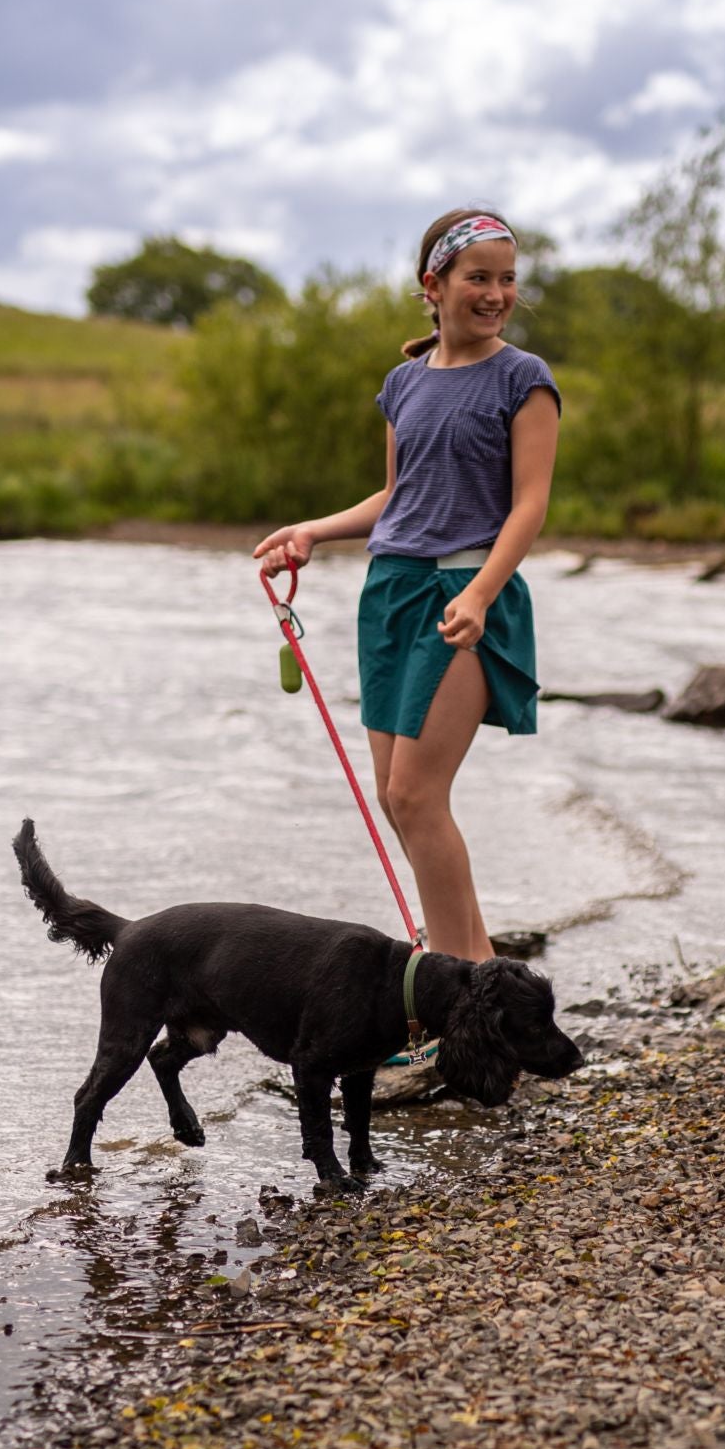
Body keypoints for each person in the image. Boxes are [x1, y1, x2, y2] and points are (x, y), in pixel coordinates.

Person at [253, 208, 561, 970]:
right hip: (388, 593)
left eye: (507, 279)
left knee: (420, 797)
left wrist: (483, 592)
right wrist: (313, 531)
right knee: (399, 800)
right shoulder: (402, 383)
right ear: (435, 285)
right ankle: (466, 982)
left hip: (464, 593)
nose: (496, 294)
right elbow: (396, 496)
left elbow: (530, 505)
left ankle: (469, 986)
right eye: (478, 278)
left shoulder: (525, 379)